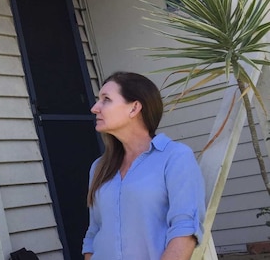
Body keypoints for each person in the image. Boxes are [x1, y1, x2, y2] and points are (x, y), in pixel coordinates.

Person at [82, 71, 205, 260]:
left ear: (134, 108)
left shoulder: (175, 157)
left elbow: (184, 230)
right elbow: (93, 233)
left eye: (106, 99)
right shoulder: (99, 167)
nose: (95, 108)